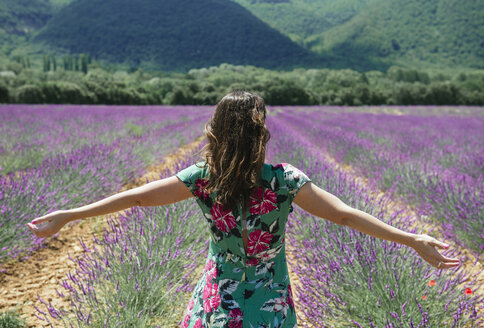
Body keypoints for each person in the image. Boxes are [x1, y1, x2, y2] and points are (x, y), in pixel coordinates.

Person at [27, 91, 460, 328]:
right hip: (269, 302)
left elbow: (138, 197)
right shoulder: (284, 180)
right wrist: (411, 239)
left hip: (219, 300)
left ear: (217, 131)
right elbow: (345, 214)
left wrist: (71, 214)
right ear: (261, 132)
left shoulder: (203, 177)